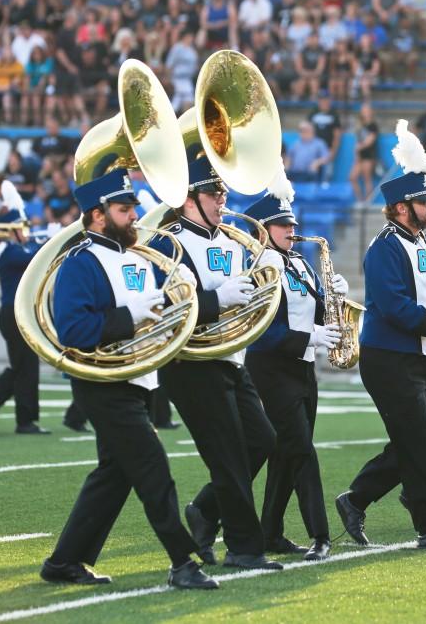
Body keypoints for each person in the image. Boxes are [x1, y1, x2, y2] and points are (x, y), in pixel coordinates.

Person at [40, 168, 216, 590]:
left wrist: (184, 288)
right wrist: (128, 317)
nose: (133, 216)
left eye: (133, 207)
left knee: (114, 476)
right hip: (102, 382)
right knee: (152, 468)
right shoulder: (80, 263)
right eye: (123, 209)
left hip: (139, 380)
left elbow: (168, 304)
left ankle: (64, 562)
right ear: (97, 216)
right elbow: (74, 331)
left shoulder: (138, 257)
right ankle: (183, 561)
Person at [336, 124, 426, 550]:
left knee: (422, 438)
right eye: (423, 201)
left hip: (417, 355)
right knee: (417, 440)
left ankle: (355, 499)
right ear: (399, 207)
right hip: (388, 357)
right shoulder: (384, 249)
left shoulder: (423, 244)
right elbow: (395, 308)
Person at [147, 157, 281, 572]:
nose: (223, 200)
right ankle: (244, 547)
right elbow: (165, 306)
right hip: (189, 363)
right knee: (226, 457)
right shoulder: (167, 243)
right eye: (214, 193)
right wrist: (215, 299)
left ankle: (205, 512)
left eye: (223, 193)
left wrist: (268, 279)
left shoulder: (234, 240)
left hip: (230, 358)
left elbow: (251, 299)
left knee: (262, 440)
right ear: (189, 200)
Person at [241, 175, 338, 562]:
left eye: (293, 224)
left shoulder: (299, 262)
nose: (292, 230)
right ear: (264, 230)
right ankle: (321, 534)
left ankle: (270, 532)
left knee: (284, 453)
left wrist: (333, 297)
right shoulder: (261, 265)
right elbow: (261, 330)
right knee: (301, 450)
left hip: (302, 368)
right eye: (283, 225)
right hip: (270, 368)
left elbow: (315, 312)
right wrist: (310, 337)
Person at [0, 183, 50, 434]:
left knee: (22, 367)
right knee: (25, 368)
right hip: (13, 314)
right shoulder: (9, 252)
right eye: (22, 227)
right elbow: (37, 258)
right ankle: (21, 419)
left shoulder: (19, 248)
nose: (27, 231)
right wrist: (52, 238)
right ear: (12, 230)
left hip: (19, 314)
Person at [308, 91, 342, 183]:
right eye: (321, 100)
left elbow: (337, 135)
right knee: (311, 173)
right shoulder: (313, 112)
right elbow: (308, 129)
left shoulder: (334, 114)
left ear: (329, 101)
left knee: (327, 175)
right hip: (314, 149)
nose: (323, 102)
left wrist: (333, 152)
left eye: (325, 100)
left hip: (328, 149)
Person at [349, 102, 380, 201]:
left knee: (367, 178)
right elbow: (358, 140)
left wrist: (359, 148)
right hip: (360, 155)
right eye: (363, 110)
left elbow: (370, 141)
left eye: (367, 110)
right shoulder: (360, 125)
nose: (365, 112)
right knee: (352, 177)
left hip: (369, 155)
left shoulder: (373, 125)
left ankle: (368, 201)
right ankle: (360, 199)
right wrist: (357, 154)